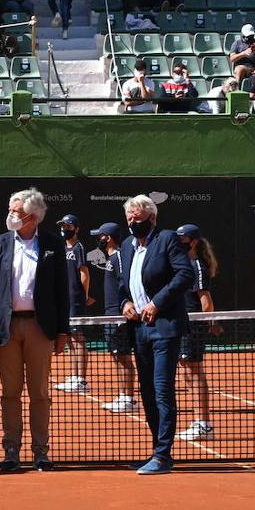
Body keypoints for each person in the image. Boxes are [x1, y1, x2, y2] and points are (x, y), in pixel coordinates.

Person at [0, 188, 69, 472]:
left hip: (40, 329)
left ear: (32, 216)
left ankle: (41, 452)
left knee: (40, 392)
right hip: (6, 327)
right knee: (10, 392)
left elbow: (61, 293)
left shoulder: (53, 245)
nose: (11, 215)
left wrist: (62, 331)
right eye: (10, 209)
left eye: (16, 211)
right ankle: (11, 451)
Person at [117, 194, 194, 475]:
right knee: (147, 392)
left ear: (151, 217)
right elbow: (122, 283)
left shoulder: (168, 239)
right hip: (139, 330)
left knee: (162, 391)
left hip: (165, 328)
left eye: (137, 217)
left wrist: (157, 302)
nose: (131, 221)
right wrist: (125, 303)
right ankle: (157, 452)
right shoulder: (127, 246)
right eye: (129, 217)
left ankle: (163, 455)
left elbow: (184, 275)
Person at [175, 224, 221, 443]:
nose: (178, 242)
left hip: (193, 325)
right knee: (187, 372)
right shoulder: (184, 264)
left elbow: (206, 301)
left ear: (192, 242)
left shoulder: (197, 266)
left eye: (182, 239)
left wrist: (209, 322)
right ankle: (198, 422)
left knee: (194, 372)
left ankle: (203, 424)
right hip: (183, 324)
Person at [92, 222, 138, 415]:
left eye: (100, 236)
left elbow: (126, 282)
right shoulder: (110, 257)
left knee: (123, 357)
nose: (98, 240)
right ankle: (123, 396)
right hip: (110, 314)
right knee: (117, 356)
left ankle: (128, 398)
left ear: (108, 238)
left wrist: (124, 307)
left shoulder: (118, 257)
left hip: (119, 315)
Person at [52, 215, 91, 393]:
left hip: (75, 299)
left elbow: (84, 274)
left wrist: (83, 296)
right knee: (69, 338)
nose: (64, 229)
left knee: (78, 338)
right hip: (64, 299)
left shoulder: (78, 247)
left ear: (76, 229)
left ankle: (81, 380)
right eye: (63, 226)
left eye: (68, 226)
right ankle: (74, 376)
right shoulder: (61, 247)